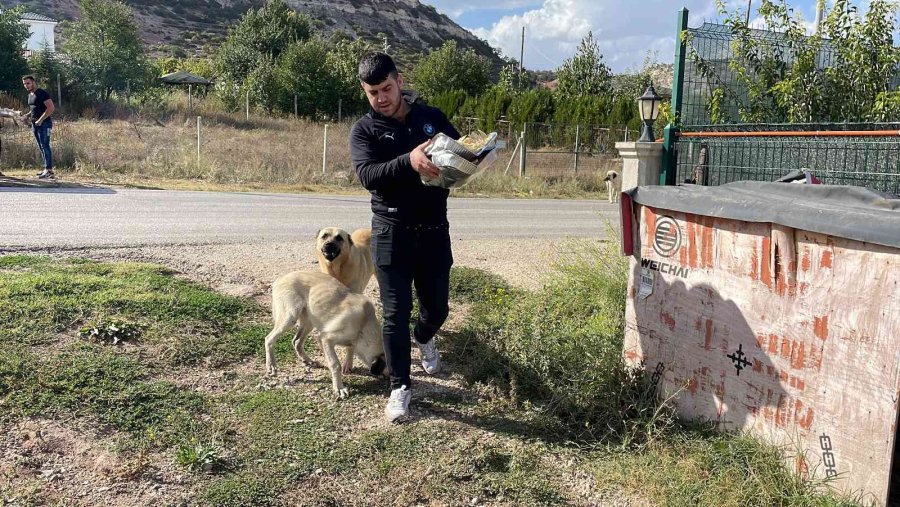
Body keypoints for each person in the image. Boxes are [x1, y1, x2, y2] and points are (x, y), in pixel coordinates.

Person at [349, 52, 460, 423]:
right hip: (390, 231)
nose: (381, 98)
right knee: (395, 314)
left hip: (433, 230)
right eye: (372, 92)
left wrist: (478, 160)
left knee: (438, 308)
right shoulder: (364, 130)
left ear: (399, 81)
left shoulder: (431, 117)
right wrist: (408, 161)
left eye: (386, 88)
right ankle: (400, 386)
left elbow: (460, 150)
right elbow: (368, 175)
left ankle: (424, 337)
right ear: (365, 92)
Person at [20, 75, 55, 179]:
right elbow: (34, 108)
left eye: (28, 83)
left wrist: (41, 120)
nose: (26, 86)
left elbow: (51, 108)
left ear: (33, 82)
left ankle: (49, 171)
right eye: (24, 84)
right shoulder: (30, 95)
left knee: (45, 146)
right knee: (41, 146)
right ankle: (46, 169)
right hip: (35, 124)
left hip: (45, 124)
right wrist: (27, 115)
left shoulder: (42, 93)